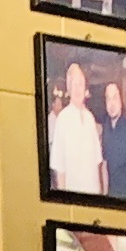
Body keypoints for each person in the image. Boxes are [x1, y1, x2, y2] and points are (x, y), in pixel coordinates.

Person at [48, 58, 99, 197]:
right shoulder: (62, 119)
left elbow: (96, 163)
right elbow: (59, 167)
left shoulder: (90, 118)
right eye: (74, 84)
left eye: (80, 84)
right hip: (73, 199)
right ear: (69, 88)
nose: (78, 89)